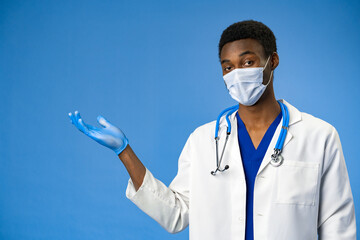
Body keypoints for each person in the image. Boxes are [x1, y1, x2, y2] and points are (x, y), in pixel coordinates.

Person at [68, 20, 356, 240]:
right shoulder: (204, 140)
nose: (237, 74)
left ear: (273, 61)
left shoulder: (319, 136)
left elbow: (337, 225)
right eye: (228, 67)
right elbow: (176, 214)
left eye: (248, 62)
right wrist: (125, 152)